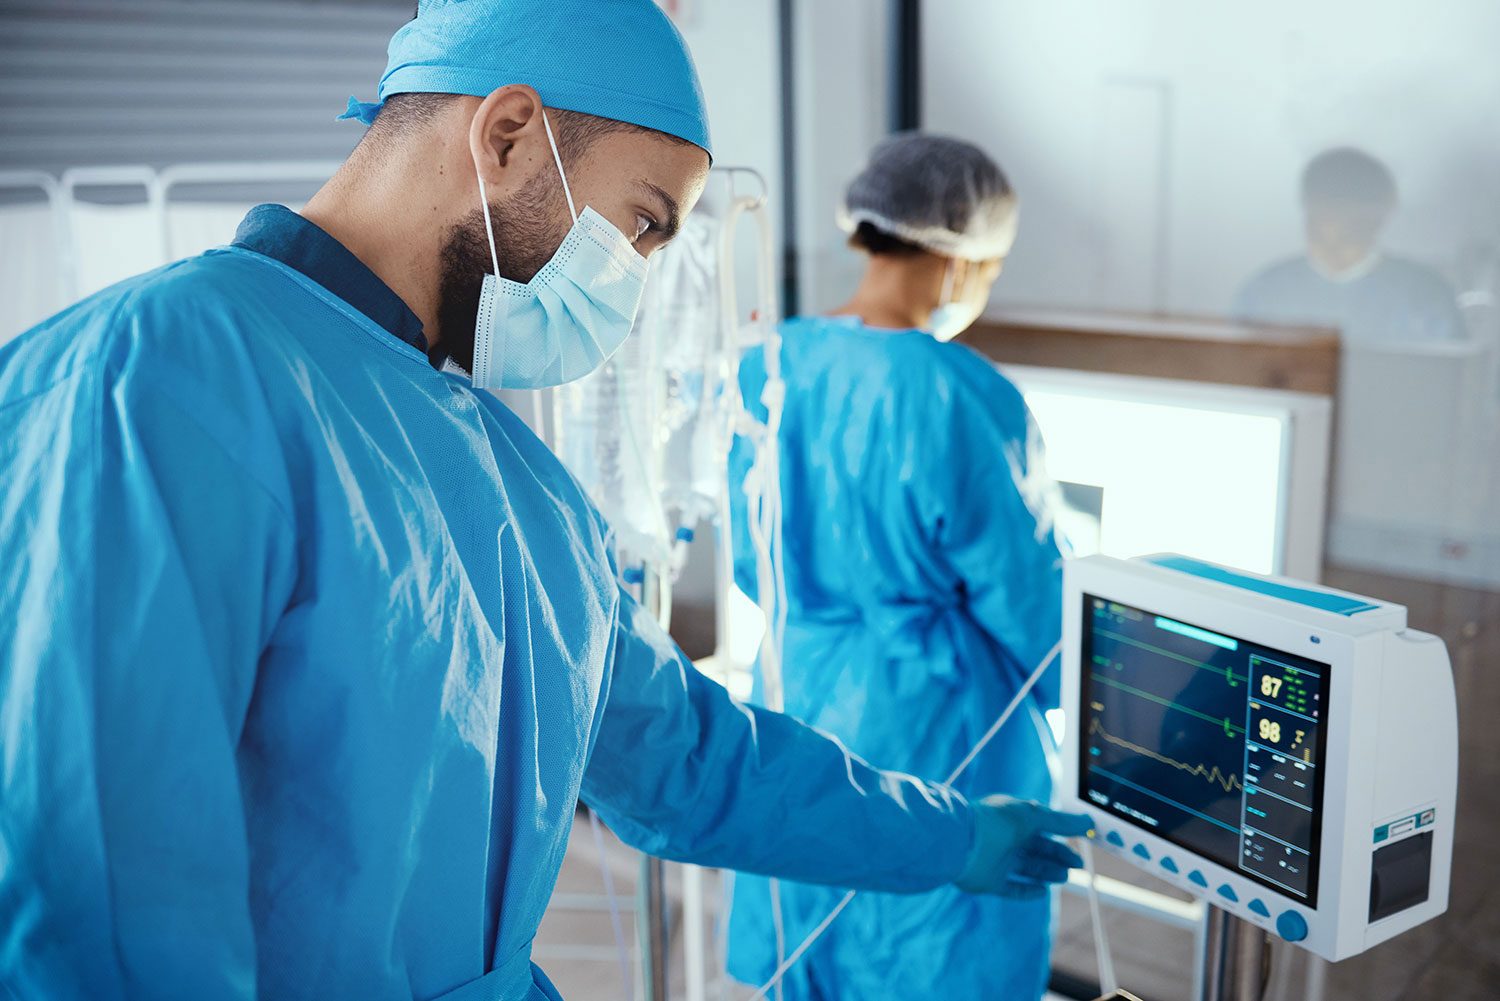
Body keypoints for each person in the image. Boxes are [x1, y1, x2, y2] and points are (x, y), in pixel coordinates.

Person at [0, 3, 1092, 999]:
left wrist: (950, 838)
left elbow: (684, 759)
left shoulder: (519, 484)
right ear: (508, 134)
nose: (641, 277)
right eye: (645, 225)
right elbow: (97, 896)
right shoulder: (160, 378)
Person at [726, 133, 1070, 1000]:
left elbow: (750, 557)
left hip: (799, 694)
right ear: (963, 257)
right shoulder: (958, 391)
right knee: (933, 933)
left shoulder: (769, 364)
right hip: (941, 723)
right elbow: (1037, 612)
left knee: (815, 913)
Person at [1233, 147, 1466, 344]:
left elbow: (1448, 385)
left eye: (1351, 208)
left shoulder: (1424, 295)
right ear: (1307, 204)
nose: (1335, 221)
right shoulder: (1265, 292)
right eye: (1326, 204)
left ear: (1383, 211)